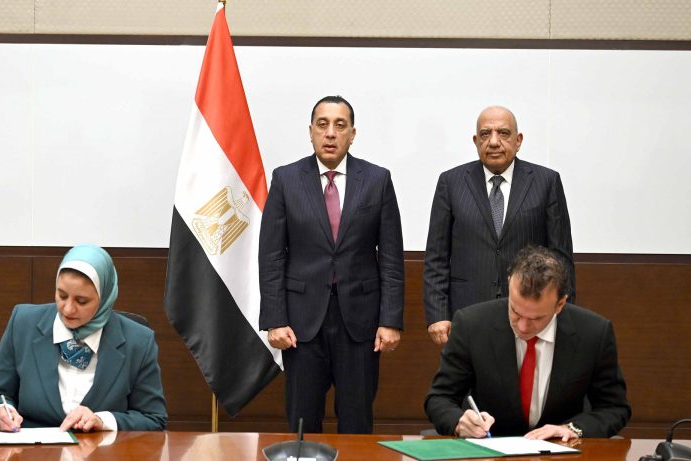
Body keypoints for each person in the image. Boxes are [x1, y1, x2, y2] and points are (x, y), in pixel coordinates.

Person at [259, 95, 404, 434]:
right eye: (322, 125)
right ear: (310, 131)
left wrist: (390, 320)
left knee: (356, 421)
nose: (330, 133)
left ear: (352, 134)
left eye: (340, 125)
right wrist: (275, 320)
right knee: (302, 421)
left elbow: (391, 258)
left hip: (361, 321)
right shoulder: (286, 179)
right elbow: (271, 257)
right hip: (301, 322)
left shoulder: (377, 179)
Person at [424, 245, 630, 440]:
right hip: (491, 450)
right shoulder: (472, 325)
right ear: (509, 284)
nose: (522, 327)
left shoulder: (593, 333)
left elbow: (614, 408)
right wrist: (460, 423)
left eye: (536, 318)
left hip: (560, 452)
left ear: (560, 304)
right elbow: (439, 398)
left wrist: (571, 429)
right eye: (515, 311)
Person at [423, 105, 575, 345]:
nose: (494, 142)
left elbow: (561, 258)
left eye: (503, 133)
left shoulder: (546, 182)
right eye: (485, 134)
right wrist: (438, 315)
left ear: (518, 140)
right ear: (476, 141)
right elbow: (436, 257)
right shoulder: (451, 183)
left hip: (530, 312)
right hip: (467, 313)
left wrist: (563, 317)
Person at [0, 244, 167, 432]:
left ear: (105, 298)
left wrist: (102, 420)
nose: (68, 309)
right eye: (62, 296)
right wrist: (0, 412)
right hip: (32, 445)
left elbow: (153, 419)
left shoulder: (138, 341)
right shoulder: (23, 324)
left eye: (82, 301)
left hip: (100, 447)